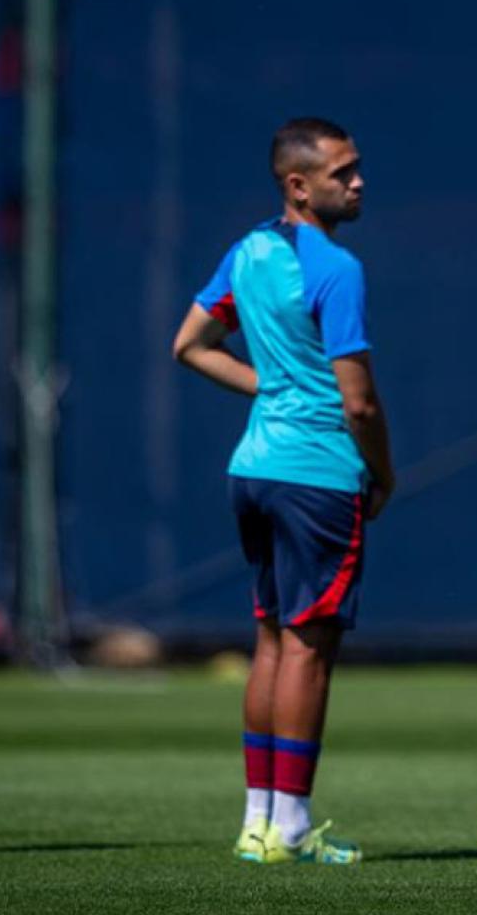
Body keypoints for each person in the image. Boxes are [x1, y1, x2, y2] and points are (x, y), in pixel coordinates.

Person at [172, 116, 394, 866]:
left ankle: (258, 823)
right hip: (317, 474)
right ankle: (289, 828)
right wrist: (384, 473)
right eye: (343, 171)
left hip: (256, 468)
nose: (358, 181)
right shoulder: (335, 267)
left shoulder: (250, 250)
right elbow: (358, 401)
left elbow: (190, 345)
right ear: (299, 186)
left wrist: (267, 387)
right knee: (307, 650)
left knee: (271, 642)